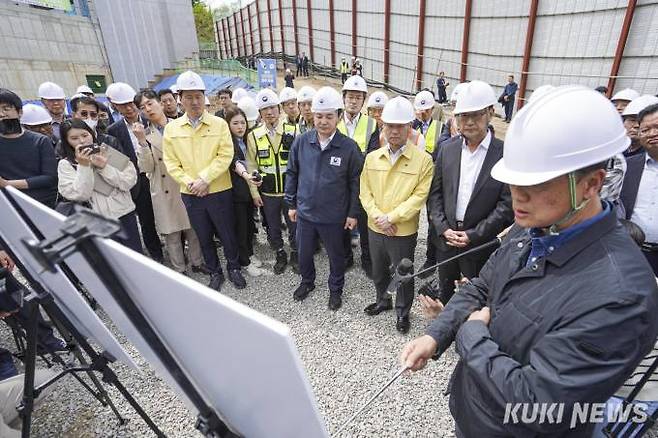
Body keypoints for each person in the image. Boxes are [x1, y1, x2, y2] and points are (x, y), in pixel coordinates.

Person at [400, 85, 658, 438]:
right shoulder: (536, 224)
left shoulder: (621, 296)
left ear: (590, 184)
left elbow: (541, 405)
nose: (517, 197)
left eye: (535, 184)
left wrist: (471, 334)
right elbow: (482, 287)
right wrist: (435, 334)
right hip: (477, 413)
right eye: (513, 182)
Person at [426, 81, 513, 303]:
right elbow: (435, 195)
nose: (470, 122)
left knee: (475, 299)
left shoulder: (504, 154)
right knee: (445, 293)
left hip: (479, 246)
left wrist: (474, 235)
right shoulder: (448, 149)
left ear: (491, 113)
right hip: (447, 243)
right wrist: (443, 228)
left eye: (477, 114)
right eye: (464, 116)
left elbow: (506, 205)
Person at [163, 71, 246, 291]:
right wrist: (191, 182)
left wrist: (205, 178)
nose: (194, 101)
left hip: (219, 189)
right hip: (191, 192)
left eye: (198, 96)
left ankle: (234, 267)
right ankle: (214, 271)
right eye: (188, 97)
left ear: (204, 96)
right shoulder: (172, 129)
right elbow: (171, 163)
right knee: (202, 234)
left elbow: (225, 154)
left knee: (227, 231)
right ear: (180, 98)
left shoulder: (219, 124)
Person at [285, 86, 363, 311]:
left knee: (336, 257)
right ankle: (307, 282)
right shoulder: (302, 142)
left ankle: (335, 290)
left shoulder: (349, 148)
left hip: (334, 217)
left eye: (329, 116)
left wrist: (352, 213)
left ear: (338, 117)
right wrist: (291, 203)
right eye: (319, 116)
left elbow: (355, 183)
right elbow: (292, 172)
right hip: (306, 213)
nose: (323, 121)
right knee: (304, 252)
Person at [360, 97, 434, 333]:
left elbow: (419, 197)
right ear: (383, 126)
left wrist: (390, 218)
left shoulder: (423, 161)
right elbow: (365, 192)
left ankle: (403, 312)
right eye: (389, 125)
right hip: (375, 228)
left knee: (403, 274)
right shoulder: (372, 158)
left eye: (399, 126)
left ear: (409, 127)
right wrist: (377, 217)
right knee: (379, 270)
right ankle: (383, 300)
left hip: (402, 231)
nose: (394, 131)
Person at [132, 90, 204, 276]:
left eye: (150, 103)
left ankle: (197, 262)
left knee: (193, 229)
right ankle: (179, 269)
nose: (147, 109)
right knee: (171, 234)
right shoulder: (144, 134)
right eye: (142, 107)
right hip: (163, 187)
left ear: (160, 103)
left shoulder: (181, 124)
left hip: (185, 183)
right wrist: (141, 142)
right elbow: (146, 167)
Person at [57, 119, 142, 252]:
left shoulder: (107, 152)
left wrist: (105, 168)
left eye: (85, 135)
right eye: (74, 138)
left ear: (92, 134)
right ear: (67, 141)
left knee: (135, 254)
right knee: (111, 261)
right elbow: (81, 195)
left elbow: (129, 181)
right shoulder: (65, 164)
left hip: (124, 214)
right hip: (96, 220)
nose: (81, 141)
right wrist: (83, 166)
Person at [106, 82, 164, 262]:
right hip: (136, 181)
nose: (129, 108)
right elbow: (115, 159)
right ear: (114, 105)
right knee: (146, 220)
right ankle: (156, 254)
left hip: (158, 174)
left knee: (167, 212)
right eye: (123, 105)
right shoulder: (112, 131)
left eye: (131, 103)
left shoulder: (151, 121)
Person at [246, 88, 297, 274]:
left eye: (273, 108)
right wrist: (254, 193)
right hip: (268, 194)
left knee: (294, 226)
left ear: (279, 109)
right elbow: (251, 165)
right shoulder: (254, 136)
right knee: (273, 228)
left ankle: (295, 253)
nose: (269, 112)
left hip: (290, 193)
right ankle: (280, 253)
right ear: (259, 113)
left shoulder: (293, 131)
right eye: (264, 109)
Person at [337, 75, 379, 276]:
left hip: (363, 184)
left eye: (358, 97)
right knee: (341, 222)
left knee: (364, 222)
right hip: (339, 184)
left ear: (363, 101)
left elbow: (372, 156)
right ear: (343, 98)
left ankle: (367, 259)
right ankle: (346, 257)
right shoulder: (334, 121)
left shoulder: (371, 124)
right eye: (350, 97)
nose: (353, 101)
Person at [224, 105, 266, 277]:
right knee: (240, 228)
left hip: (249, 191)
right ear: (228, 125)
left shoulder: (247, 139)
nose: (240, 127)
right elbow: (235, 163)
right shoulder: (227, 143)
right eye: (235, 123)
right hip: (236, 192)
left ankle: (249, 253)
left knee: (249, 226)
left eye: (242, 122)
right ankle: (245, 261)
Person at [0, 89, 58, 208]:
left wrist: (7, 184)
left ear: (19, 112)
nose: (1, 114)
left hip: (42, 204)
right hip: (8, 205)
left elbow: (50, 178)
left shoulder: (40, 141)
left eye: (6, 108)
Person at [620, 103, 658, 275]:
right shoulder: (628, 167)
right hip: (632, 251)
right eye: (645, 130)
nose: (652, 134)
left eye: (657, 127)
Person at [412, 90, 444, 156]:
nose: (424, 113)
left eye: (427, 110)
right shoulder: (412, 125)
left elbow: (442, 150)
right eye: (421, 110)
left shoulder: (440, 127)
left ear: (432, 109)